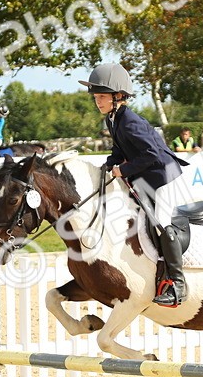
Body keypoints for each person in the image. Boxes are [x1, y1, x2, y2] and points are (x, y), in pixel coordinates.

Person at [82, 63, 191, 307]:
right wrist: (108, 166)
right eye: (96, 97)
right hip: (148, 178)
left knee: (161, 222)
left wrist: (125, 170)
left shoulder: (130, 121)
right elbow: (119, 150)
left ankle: (177, 284)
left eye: (101, 96)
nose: (97, 101)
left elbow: (151, 154)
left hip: (165, 177)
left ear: (118, 96)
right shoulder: (113, 119)